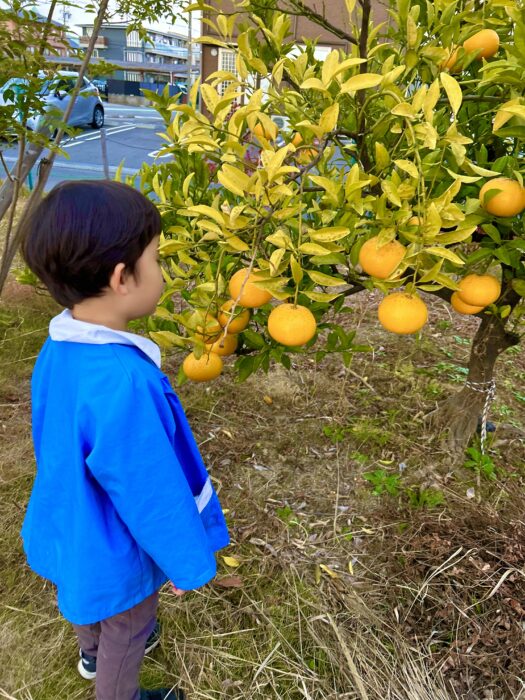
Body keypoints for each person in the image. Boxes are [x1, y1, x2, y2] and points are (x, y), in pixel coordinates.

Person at [19, 180, 230, 700]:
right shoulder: (123, 380)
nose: (161, 271)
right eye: (156, 259)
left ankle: (90, 651)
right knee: (128, 623)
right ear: (122, 278)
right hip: (114, 540)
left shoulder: (60, 345)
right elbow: (148, 490)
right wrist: (187, 560)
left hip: (72, 514)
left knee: (88, 590)